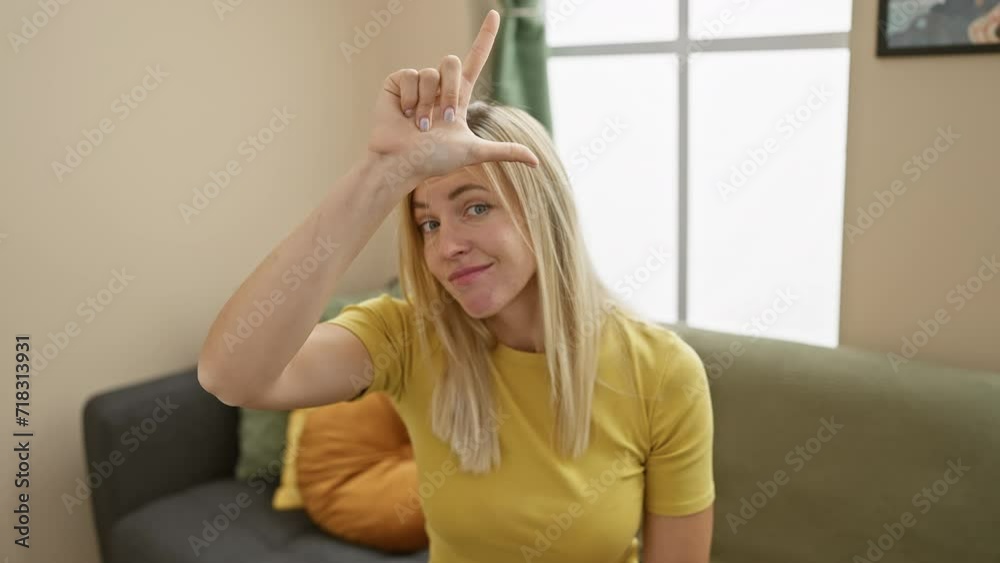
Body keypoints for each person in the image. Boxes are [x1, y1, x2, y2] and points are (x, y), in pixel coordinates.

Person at [198, 10, 714, 563]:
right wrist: (382, 174)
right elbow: (231, 376)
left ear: (542, 210)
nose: (446, 246)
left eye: (475, 207)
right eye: (428, 223)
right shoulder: (408, 336)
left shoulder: (662, 372)